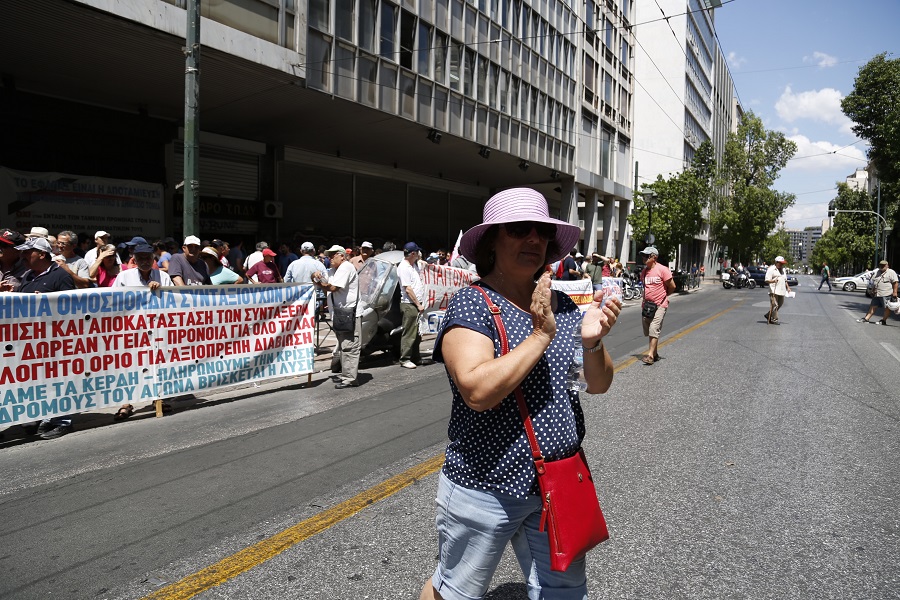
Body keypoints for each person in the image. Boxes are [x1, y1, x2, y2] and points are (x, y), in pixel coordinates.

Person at [418, 188, 620, 600]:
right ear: (493, 241)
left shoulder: (561, 304)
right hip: (486, 483)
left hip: (559, 479)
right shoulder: (472, 304)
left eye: (542, 231)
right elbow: (476, 391)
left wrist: (593, 343)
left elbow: (596, 384)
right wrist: (540, 335)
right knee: (454, 590)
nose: (533, 239)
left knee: (563, 591)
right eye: (518, 229)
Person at [15, 237, 77, 439]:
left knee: (58, 381)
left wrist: (46, 304)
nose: (23, 256)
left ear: (42, 254)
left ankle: (62, 422)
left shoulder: (60, 276)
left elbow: (71, 309)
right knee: (38, 382)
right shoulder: (28, 276)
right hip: (31, 341)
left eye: (28, 252)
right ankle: (42, 417)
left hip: (55, 341)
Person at [314, 245, 360, 389]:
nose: (329, 258)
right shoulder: (334, 270)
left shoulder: (346, 267)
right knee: (344, 345)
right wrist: (315, 276)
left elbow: (333, 287)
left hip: (349, 313)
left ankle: (349, 378)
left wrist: (319, 283)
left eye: (332, 255)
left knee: (349, 346)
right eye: (328, 256)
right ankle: (347, 375)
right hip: (340, 313)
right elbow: (323, 279)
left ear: (341, 255)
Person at [639, 246, 675, 364]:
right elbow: (645, 288)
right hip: (647, 305)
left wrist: (663, 298)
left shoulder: (663, 270)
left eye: (646, 255)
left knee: (654, 328)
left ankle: (650, 356)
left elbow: (672, 286)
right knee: (648, 330)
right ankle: (654, 353)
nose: (644, 258)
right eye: (643, 255)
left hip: (660, 304)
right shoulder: (644, 272)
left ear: (654, 257)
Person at [398, 241, 426, 369]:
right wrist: (418, 304)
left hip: (415, 304)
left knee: (416, 333)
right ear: (413, 253)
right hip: (409, 304)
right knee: (409, 332)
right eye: (417, 252)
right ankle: (405, 358)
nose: (419, 254)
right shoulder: (404, 267)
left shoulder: (413, 265)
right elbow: (408, 288)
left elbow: (422, 264)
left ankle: (415, 357)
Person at [857, 259, 899, 325]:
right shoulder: (877, 272)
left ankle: (883, 320)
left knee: (887, 308)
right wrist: (873, 290)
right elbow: (875, 282)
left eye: (883, 265)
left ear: (887, 265)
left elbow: (895, 283)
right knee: (873, 306)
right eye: (881, 265)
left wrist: (895, 292)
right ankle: (866, 319)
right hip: (877, 293)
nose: (882, 266)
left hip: (886, 293)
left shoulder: (891, 272)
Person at [764, 256, 791, 325]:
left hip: (781, 290)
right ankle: (774, 319)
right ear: (776, 262)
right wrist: (773, 281)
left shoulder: (783, 270)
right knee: (775, 305)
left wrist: (788, 287)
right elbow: (766, 280)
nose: (782, 265)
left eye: (782, 263)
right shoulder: (771, 269)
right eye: (780, 263)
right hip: (774, 290)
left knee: (780, 304)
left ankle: (768, 315)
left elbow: (785, 279)